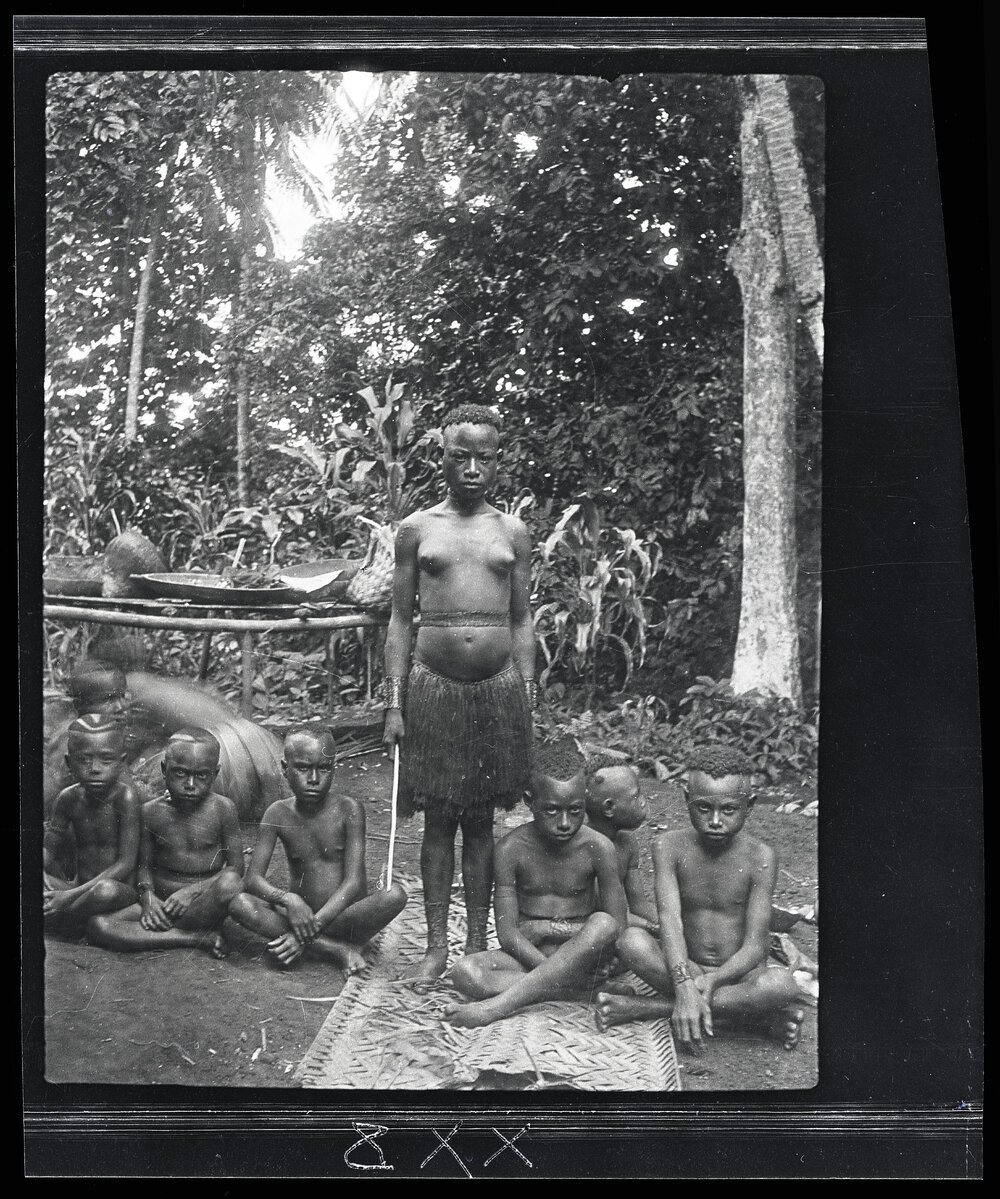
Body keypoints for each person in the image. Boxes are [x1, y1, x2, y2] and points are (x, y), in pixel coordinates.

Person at [382, 403, 535, 981]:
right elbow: (400, 619)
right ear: (441, 458)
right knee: (439, 820)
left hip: (496, 690)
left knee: (480, 821)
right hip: (433, 686)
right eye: (460, 457)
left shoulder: (511, 531)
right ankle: (434, 948)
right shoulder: (417, 529)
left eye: (484, 458)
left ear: (497, 462)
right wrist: (394, 702)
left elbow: (521, 619)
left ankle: (474, 942)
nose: (472, 469)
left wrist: (528, 695)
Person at [594, 745, 807, 1051]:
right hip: (684, 967)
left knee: (782, 985)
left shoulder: (761, 856)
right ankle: (755, 1021)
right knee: (631, 941)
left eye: (729, 810)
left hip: (740, 977)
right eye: (703, 808)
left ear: (749, 806)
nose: (715, 820)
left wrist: (711, 982)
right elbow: (670, 921)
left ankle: (645, 1008)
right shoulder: (668, 846)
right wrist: (684, 984)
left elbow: (756, 945)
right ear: (686, 799)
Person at [443, 738, 627, 1027]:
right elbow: (507, 933)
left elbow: (617, 926)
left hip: (583, 952)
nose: (564, 823)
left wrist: (545, 928)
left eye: (575, 811)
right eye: (551, 810)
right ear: (530, 801)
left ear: (585, 798)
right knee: (465, 972)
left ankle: (494, 1008)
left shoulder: (599, 847)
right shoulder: (510, 849)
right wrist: (552, 972)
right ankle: (577, 992)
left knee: (602, 923)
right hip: (529, 955)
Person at [228, 724, 407, 971]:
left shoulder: (349, 809)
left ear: (333, 768)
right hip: (300, 916)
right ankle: (335, 949)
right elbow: (253, 880)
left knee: (395, 895)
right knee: (240, 904)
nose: (313, 779)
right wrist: (288, 899)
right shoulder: (277, 813)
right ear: (285, 769)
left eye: (323, 768)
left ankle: (309, 942)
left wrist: (309, 929)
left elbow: (354, 882)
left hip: (344, 917)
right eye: (303, 768)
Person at [44, 660, 287, 821]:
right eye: (109, 700)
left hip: (238, 749)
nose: (120, 707)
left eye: (121, 697)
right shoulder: (72, 741)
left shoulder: (128, 714)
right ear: (80, 705)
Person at [87, 728, 243, 958]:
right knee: (98, 925)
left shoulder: (223, 809)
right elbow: (144, 866)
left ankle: (168, 933)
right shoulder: (150, 812)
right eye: (180, 773)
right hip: (161, 906)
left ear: (215, 773)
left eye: (202, 775)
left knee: (230, 883)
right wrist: (148, 898)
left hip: (202, 905)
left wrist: (192, 892)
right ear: (164, 769)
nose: (190, 784)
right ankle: (192, 938)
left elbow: (236, 868)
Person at [43, 714, 141, 927]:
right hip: (79, 889)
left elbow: (126, 864)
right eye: (84, 759)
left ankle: (64, 915)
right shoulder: (67, 798)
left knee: (105, 891)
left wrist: (67, 898)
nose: (95, 768)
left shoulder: (125, 798)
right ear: (69, 763)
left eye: (106, 760)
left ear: (121, 762)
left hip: (118, 891)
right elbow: (49, 847)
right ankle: (70, 915)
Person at [584, 753, 659, 932]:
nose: (643, 802)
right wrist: (655, 927)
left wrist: (674, 922)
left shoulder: (627, 841)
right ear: (609, 808)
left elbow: (639, 904)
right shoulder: (586, 847)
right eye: (636, 796)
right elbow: (609, 915)